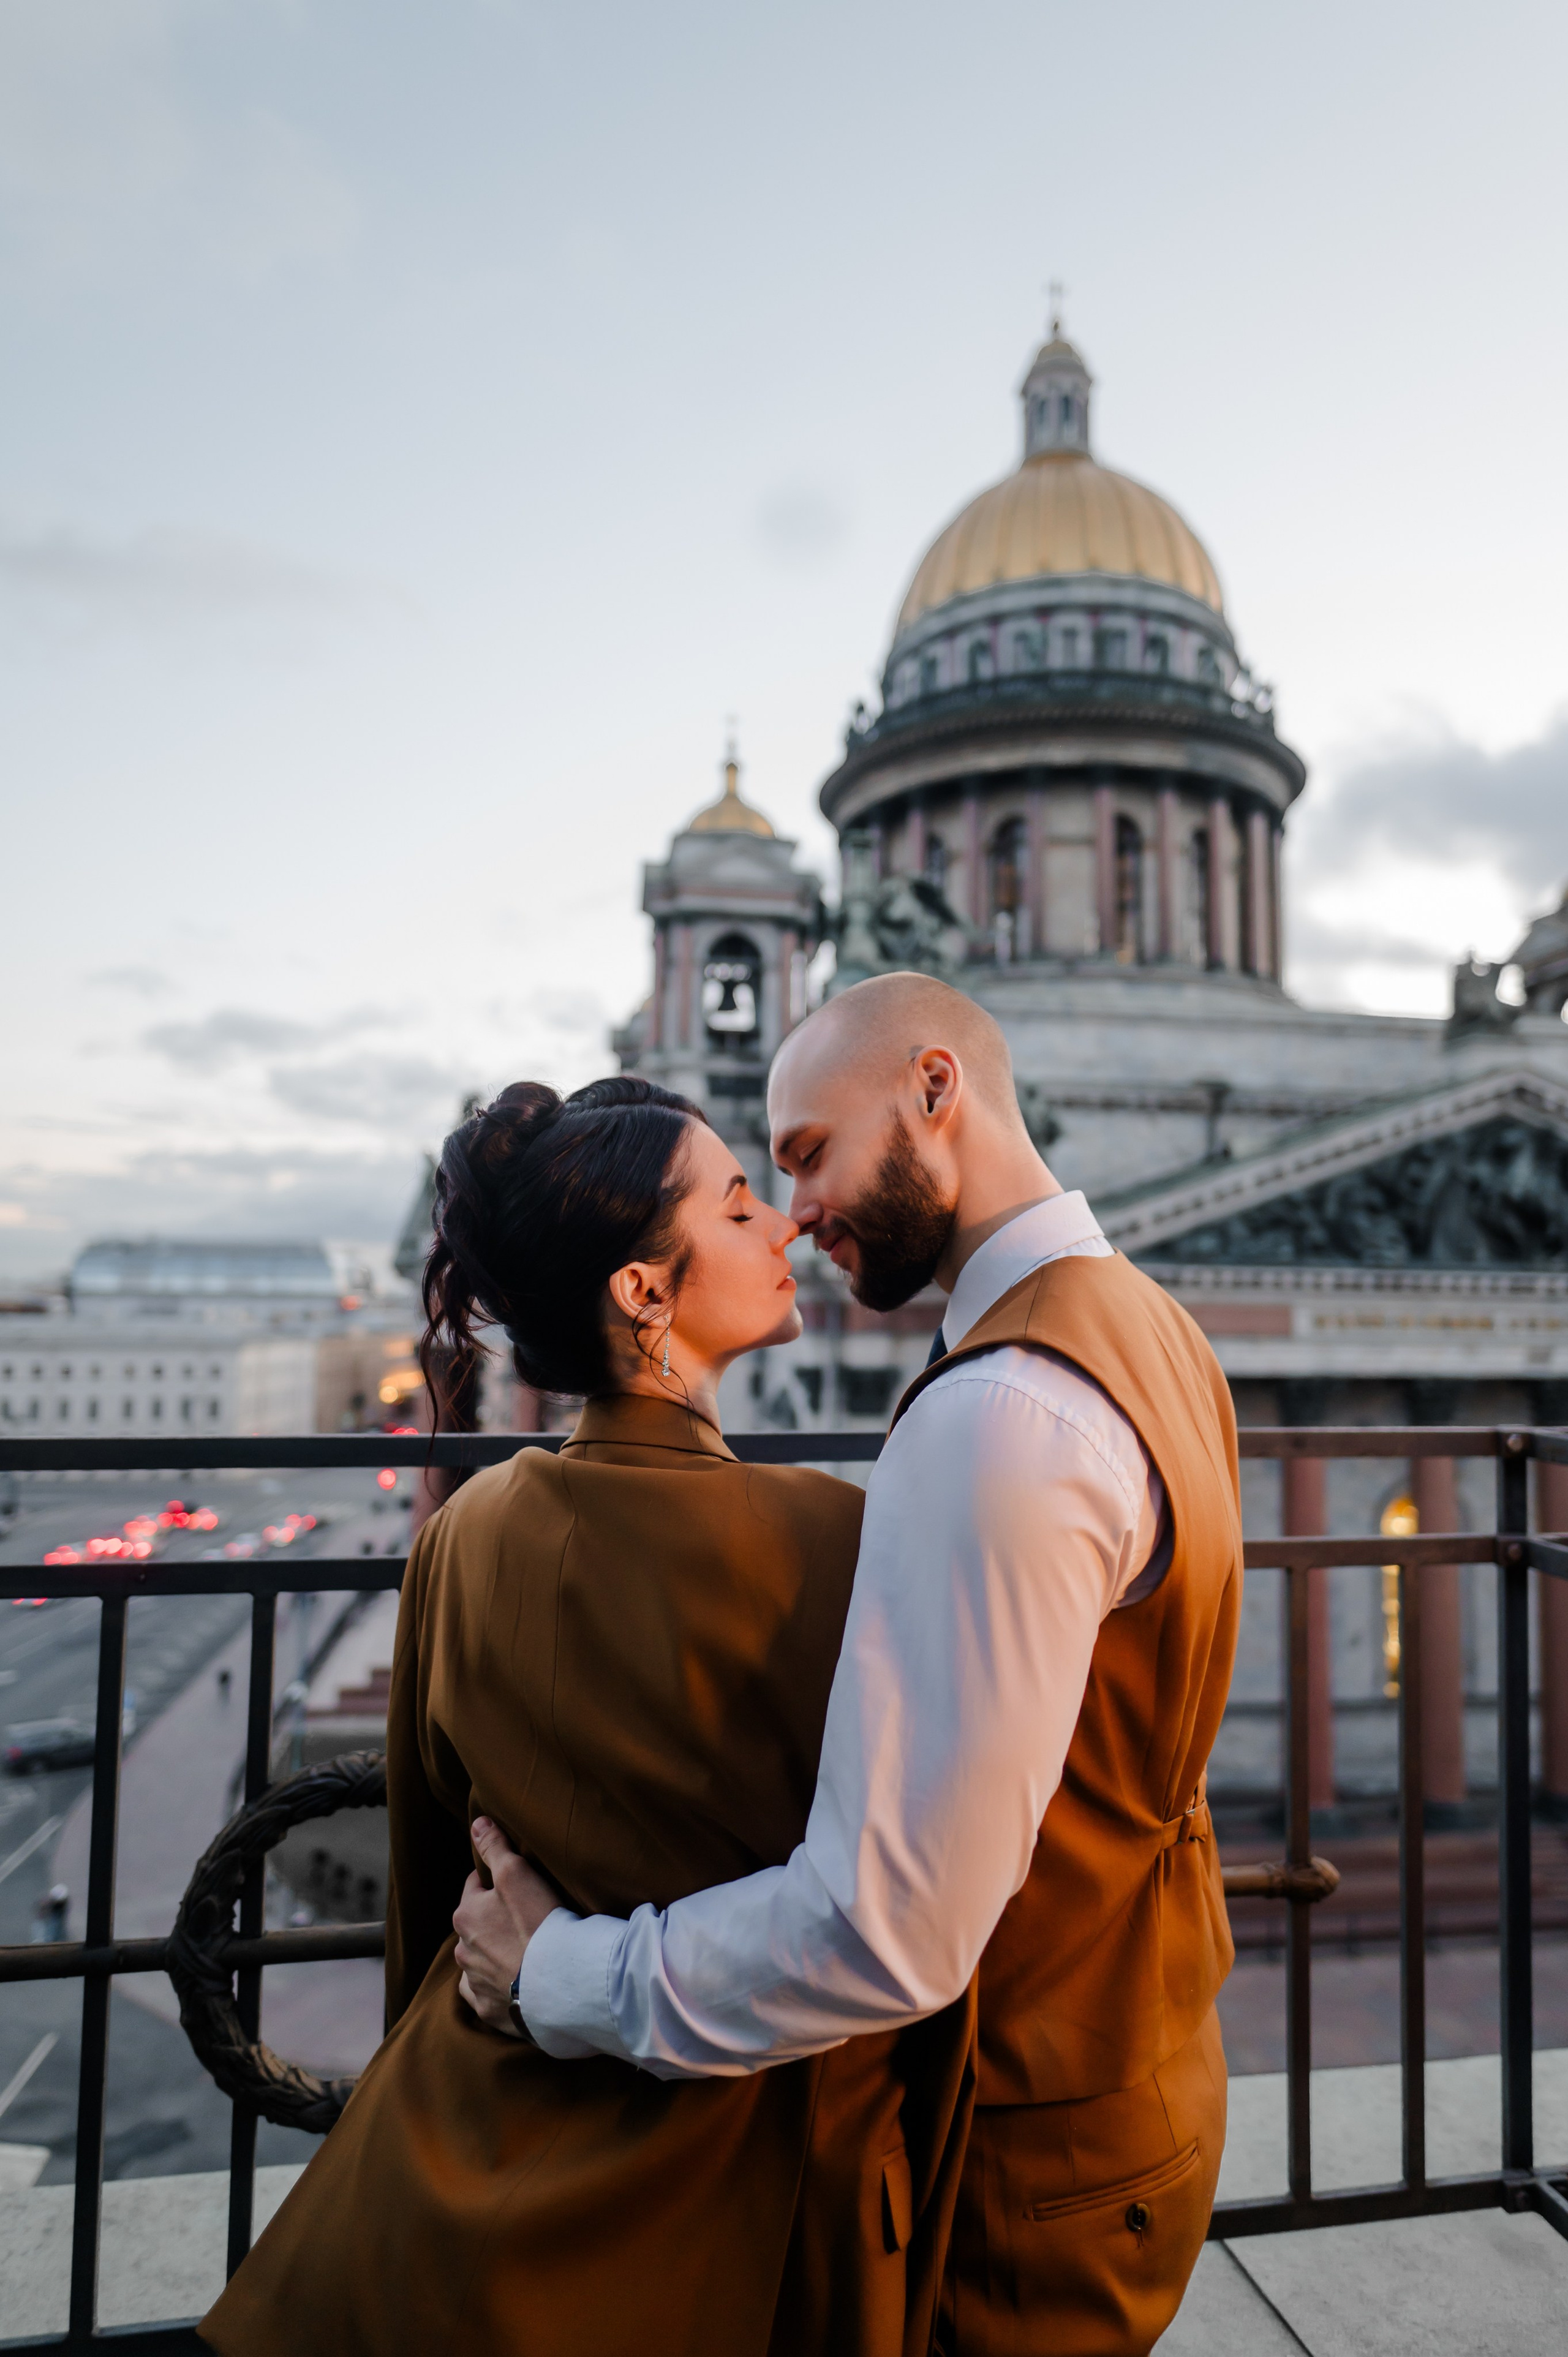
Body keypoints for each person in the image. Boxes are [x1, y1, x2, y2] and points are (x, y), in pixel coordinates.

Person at [454, 975, 1244, 2357]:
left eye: (808, 1153)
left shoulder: (999, 1411)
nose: (795, 1209)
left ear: (933, 1089)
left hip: (1020, 2156)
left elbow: (888, 1928)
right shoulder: (1148, 1327)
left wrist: (556, 1977)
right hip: (1135, 2077)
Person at [200, 1077, 976, 2357]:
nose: (784, 1223)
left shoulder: (464, 1535)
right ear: (644, 1292)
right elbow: (909, 1908)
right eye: (739, 1205)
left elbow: (428, 1893)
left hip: (462, 2165)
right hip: (754, 2198)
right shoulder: (843, 1542)